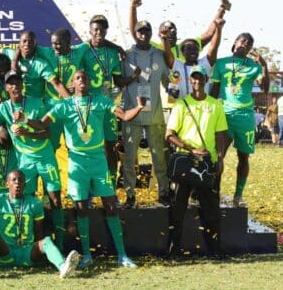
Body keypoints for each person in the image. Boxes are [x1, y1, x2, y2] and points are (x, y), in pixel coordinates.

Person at [27, 70, 145, 269]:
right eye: (78, 78)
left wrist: (140, 107)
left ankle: (122, 255)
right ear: (72, 84)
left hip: (98, 160)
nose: (82, 80)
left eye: (84, 77)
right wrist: (25, 121)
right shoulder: (63, 106)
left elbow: (125, 116)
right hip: (77, 161)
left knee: (110, 204)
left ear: (89, 82)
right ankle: (87, 255)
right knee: (81, 209)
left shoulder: (100, 101)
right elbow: (41, 124)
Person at [0, 73, 66, 251]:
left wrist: (27, 130)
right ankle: (32, 246)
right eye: (11, 84)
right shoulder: (3, 108)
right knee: (27, 201)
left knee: (55, 200)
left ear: (22, 85)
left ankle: (61, 245)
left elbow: (46, 132)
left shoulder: (36, 102)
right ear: (6, 88)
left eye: (18, 82)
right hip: (25, 161)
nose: (15, 86)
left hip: (45, 157)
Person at [166, 65, 229, 257]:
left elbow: (221, 134)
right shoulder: (181, 104)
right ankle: (175, 249)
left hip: (206, 165)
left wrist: (220, 159)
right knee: (178, 208)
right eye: (194, 77)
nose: (197, 81)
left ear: (206, 80)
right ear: (190, 80)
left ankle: (215, 250)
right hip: (186, 163)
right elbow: (169, 135)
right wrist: (191, 149)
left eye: (200, 77)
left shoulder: (216, 105)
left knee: (212, 210)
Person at [0, 170, 81, 279]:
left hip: (27, 253)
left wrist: (39, 251)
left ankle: (63, 267)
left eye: (20, 180)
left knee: (46, 241)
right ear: (7, 184)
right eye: (14, 180)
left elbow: (38, 230)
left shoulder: (34, 202)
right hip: (5, 253)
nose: (17, 183)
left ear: (25, 184)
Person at [210, 33, 269, 207]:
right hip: (225, 115)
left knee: (244, 158)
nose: (246, 44)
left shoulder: (254, 66)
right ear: (235, 42)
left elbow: (265, 89)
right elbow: (214, 89)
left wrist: (264, 65)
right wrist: (209, 111)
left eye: (249, 43)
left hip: (245, 117)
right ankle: (214, 193)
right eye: (243, 40)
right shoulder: (221, 63)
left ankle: (238, 196)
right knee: (218, 156)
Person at [121, 20, 171, 208]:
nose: (143, 34)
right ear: (135, 33)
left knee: (159, 158)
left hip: (154, 115)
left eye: (147, 31)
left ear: (151, 33)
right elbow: (119, 81)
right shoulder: (126, 55)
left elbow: (168, 83)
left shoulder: (159, 54)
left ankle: (164, 193)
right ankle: (130, 195)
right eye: (140, 31)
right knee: (129, 159)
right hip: (132, 115)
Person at [81, 15, 136, 184]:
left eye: (102, 30)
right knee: (88, 145)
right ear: (90, 31)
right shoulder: (83, 51)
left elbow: (118, 82)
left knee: (110, 146)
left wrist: (133, 77)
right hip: (88, 106)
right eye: (95, 30)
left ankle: (110, 183)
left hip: (106, 106)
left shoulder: (112, 53)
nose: (98, 33)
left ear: (106, 31)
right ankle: (89, 184)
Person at [0, 17, 70, 100]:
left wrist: (72, 102)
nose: (27, 44)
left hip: (34, 105)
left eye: (30, 42)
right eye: (24, 41)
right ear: (19, 44)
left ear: (36, 45)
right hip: (16, 103)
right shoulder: (11, 53)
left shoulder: (41, 64)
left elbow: (57, 84)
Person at [130, 0, 223, 62]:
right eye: (167, 30)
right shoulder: (153, 47)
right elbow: (136, 32)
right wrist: (133, 8)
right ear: (159, 34)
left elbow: (209, 33)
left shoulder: (186, 48)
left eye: (173, 31)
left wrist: (221, 11)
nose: (171, 32)